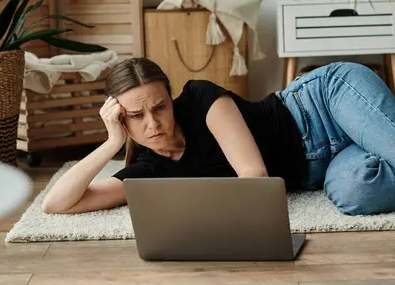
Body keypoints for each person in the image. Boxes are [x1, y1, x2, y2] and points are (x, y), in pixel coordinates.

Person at [42, 57, 395, 217]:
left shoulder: (200, 98)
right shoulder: (149, 171)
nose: (153, 123)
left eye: (160, 107)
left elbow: (255, 179)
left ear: (171, 97)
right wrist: (111, 144)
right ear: (121, 118)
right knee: (358, 193)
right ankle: (372, 136)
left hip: (324, 103)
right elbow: (56, 203)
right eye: (136, 116)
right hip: (323, 167)